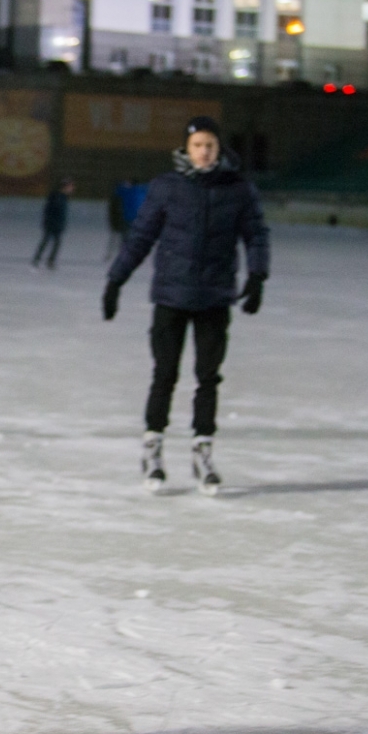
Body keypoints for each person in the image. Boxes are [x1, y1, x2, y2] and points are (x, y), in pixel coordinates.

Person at [102, 116, 269, 495]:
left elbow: (256, 234)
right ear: (186, 149)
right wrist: (116, 280)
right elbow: (141, 236)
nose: (204, 151)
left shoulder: (238, 189)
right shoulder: (166, 187)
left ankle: (203, 452)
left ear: (219, 148)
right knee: (165, 374)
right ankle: (153, 451)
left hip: (214, 296)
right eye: (197, 145)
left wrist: (258, 276)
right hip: (170, 297)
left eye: (210, 145)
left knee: (208, 378)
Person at [31, 179, 73, 270]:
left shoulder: (63, 197)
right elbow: (51, 210)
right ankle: (39, 259)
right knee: (47, 241)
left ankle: (48, 260)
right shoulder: (57, 197)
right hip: (52, 224)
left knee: (55, 242)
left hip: (57, 224)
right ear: (65, 187)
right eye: (70, 186)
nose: (72, 189)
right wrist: (51, 222)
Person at [105, 181, 128, 261]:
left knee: (117, 240)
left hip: (118, 223)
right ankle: (115, 255)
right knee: (118, 240)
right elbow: (114, 212)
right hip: (119, 223)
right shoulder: (119, 198)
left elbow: (111, 212)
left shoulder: (115, 198)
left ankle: (113, 255)